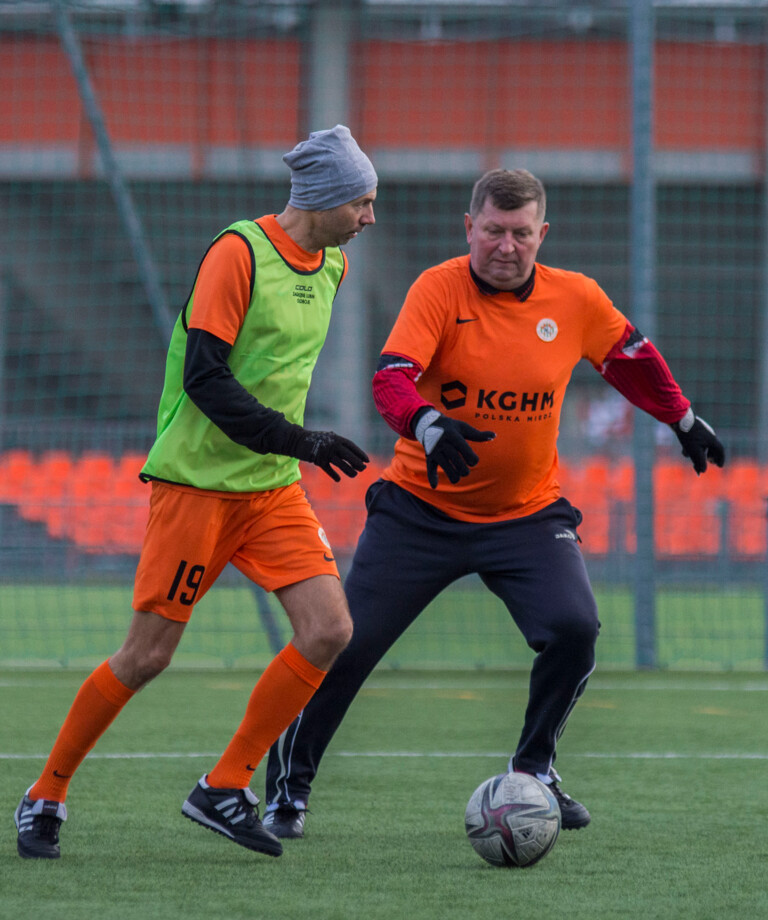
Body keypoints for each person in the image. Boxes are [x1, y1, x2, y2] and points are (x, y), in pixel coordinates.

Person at [263, 167, 725, 837]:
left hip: (527, 515)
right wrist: (425, 423)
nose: (506, 247)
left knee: (574, 629)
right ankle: (289, 788)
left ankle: (535, 772)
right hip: (419, 512)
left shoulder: (576, 298)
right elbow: (392, 378)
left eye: (520, 234)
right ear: (468, 228)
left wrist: (682, 418)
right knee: (347, 644)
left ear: (543, 233)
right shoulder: (438, 288)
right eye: (492, 232)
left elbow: (627, 355)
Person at [14, 125, 378, 860]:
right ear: (325, 199)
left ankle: (223, 785)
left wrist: (292, 451)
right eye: (363, 202)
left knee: (331, 630)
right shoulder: (237, 253)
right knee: (146, 657)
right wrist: (302, 441)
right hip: (197, 488)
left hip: (270, 490)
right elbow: (205, 380)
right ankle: (44, 794)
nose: (370, 218)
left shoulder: (332, 264)